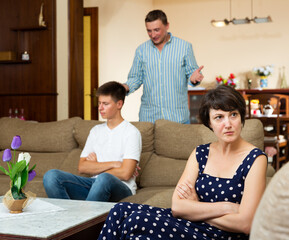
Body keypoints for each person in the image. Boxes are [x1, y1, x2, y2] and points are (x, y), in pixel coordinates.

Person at [97, 85, 267, 239]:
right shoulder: (200, 153)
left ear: (242, 116)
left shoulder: (255, 159)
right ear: (209, 122)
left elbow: (245, 223)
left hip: (220, 235)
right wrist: (226, 207)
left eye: (233, 115)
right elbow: (178, 207)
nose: (228, 124)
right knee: (120, 211)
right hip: (191, 225)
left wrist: (196, 208)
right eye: (219, 117)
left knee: (136, 221)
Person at [43, 81, 142, 202]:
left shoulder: (131, 132)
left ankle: (85, 217)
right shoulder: (96, 131)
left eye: (105, 104)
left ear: (119, 104)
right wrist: (114, 163)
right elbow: (82, 167)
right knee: (51, 176)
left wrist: (96, 166)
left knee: (104, 178)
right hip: (93, 184)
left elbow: (126, 173)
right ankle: (69, 216)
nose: (100, 108)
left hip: (122, 188)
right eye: (99, 103)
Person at [123, 9, 204, 124]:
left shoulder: (184, 47)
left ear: (167, 26)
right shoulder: (141, 50)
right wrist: (124, 87)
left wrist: (193, 78)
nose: (153, 35)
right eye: (149, 31)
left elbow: (192, 73)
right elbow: (135, 78)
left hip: (177, 118)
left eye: (157, 30)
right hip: (149, 118)